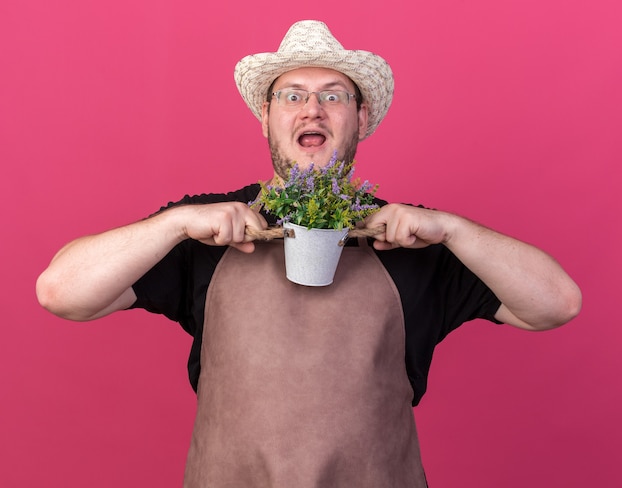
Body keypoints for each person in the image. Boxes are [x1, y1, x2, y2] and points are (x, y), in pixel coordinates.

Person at [36, 20, 582, 487]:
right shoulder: (206, 230)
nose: (311, 110)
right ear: (268, 117)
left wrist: (455, 229)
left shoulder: (415, 239)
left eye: (332, 95)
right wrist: (174, 224)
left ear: (361, 118)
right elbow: (63, 293)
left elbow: (556, 303)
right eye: (292, 95)